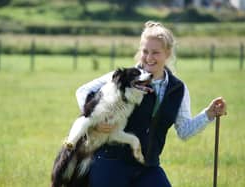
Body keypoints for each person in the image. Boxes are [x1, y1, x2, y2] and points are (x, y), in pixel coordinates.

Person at [75, 21, 227, 187]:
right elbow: (82, 91)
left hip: (148, 167)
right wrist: (95, 120)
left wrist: (209, 114)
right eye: (145, 51)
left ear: (167, 54)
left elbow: (184, 131)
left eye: (155, 52)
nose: (148, 58)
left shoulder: (178, 89)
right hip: (110, 162)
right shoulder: (124, 78)